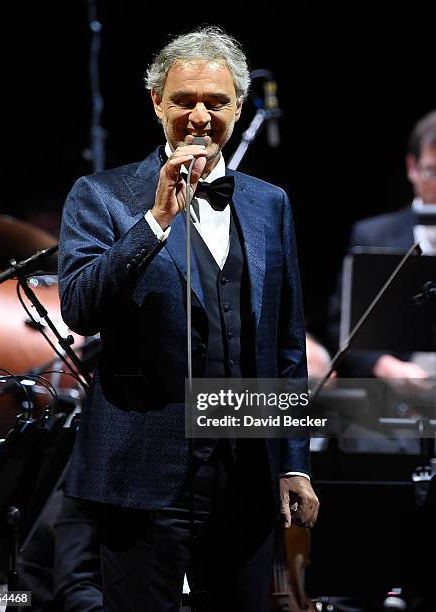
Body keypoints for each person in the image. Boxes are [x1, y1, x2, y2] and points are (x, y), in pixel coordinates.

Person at [58, 26, 319, 611]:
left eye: (216, 101)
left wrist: (294, 463)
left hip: (246, 469)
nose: (200, 116)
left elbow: (286, 345)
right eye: (184, 100)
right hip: (145, 473)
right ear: (157, 103)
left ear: (237, 106)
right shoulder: (101, 195)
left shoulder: (268, 202)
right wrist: (153, 221)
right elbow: (79, 307)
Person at [328, 109, 436, 380]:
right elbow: (344, 325)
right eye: (432, 171)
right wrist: (386, 367)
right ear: (413, 168)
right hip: (400, 394)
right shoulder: (373, 235)